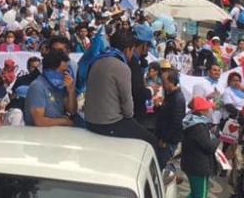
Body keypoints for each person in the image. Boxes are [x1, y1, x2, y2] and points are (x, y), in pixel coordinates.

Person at [83, 29, 165, 167]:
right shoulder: (121, 67)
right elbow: (128, 107)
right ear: (128, 49)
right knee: (151, 140)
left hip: (90, 119)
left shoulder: (98, 60)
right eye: (132, 51)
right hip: (108, 123)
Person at [24, 49, 76, 127]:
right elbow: (39, 121)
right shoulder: (38, 86)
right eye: (63, 71)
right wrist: (64, 122)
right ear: (52, 70)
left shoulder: (61, 86)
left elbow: (72, 110)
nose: (65, 74)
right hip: (39, 135)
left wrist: (71, 91)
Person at [181, 97, 219, 198]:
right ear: (201, 111)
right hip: (198, 166)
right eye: (207, 108)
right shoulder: (198, 126)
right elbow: (209, 147)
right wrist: (216, 139)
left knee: (195, 193)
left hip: (191, 164)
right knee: (200, 195)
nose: (209, 110)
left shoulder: (190, 121)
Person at [156, 69, 186, 168]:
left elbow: (176, 122)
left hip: (169, 141)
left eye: (164, 82)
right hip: (164, 137)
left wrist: (165, 140)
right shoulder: (170, 95)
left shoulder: (177, 98)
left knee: (167, 166)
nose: (162, 84)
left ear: (172, 81)